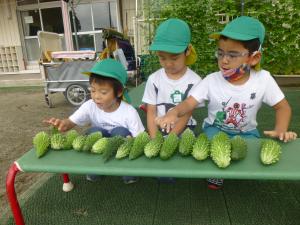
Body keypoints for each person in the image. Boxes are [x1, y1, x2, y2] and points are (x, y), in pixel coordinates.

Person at [155, 16, 297, 189]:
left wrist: (280, 130)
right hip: (215, 129)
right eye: (220, 53)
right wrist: (173, 112)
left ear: (254, 58)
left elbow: (283, 107)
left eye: (233, 54)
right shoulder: (211, 80)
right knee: (207, 151)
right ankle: (216, 174)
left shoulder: (263, 80)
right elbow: (189, 103)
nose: (224, 60)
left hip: (247, 132)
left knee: (252, 161)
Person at [44, 58, 145, 184]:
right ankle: (95, 169)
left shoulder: (129, 112)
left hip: (122, 147)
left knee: (120, 131)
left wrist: (132, 142)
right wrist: (61, 124)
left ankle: (128, 173)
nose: (96, 96)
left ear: (119, 92)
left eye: (103, 92)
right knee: (94, 131)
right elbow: (69, 123)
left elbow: (140, 138)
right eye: (92, 90)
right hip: (99, 147)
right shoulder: (89, 105)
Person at [142, 18, 203, 183]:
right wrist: (155, 138)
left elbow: (186, 114)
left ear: (187, 51)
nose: (168, 63)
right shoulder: (154, 79)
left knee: (181, 153)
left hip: (183, 128)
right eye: (162, 58)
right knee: (149, 153)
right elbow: (151, 111)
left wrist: (171, 138)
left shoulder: (195, 81)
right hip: (158, 126)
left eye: (174, 58)